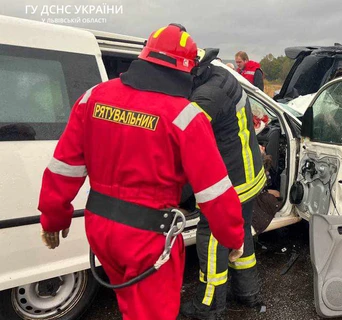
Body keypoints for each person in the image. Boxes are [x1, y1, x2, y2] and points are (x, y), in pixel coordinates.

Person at [38, 24, 245, 320]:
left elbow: (64, 168)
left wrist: (52, 217)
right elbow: (214, 191)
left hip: (100, 229)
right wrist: (233, 236)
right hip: (148, 237)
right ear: (188, 68)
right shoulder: (185, 116)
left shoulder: (93, 96)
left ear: (144, 55)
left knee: (129, 303)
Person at [180, 49, 266, 319]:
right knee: (241, 237)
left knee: (213, 240)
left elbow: (180, 140)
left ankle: (209, 306)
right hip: (249, 176)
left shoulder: (205, 97)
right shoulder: (221, 76)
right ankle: (247, 292)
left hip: (231, 183)